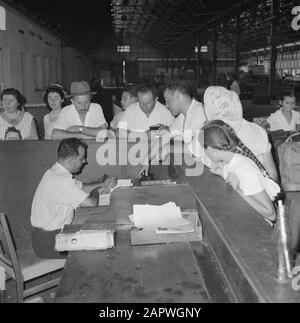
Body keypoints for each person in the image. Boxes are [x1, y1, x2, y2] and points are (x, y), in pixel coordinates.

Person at [31, 138, 110, 259]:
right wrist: (96, 191)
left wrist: (101, 185)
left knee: (99, 234)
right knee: (100, 248)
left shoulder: (55, 172)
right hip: (50, 242)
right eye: (81, 158)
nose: (84, 161)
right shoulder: (61, 180)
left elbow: (81, 188)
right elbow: (91, 203)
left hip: (51, 236)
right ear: (71, 160)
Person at [201, 120, 280, 222]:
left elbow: (271, 214)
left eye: (204, 148)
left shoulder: (244, 169)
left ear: (211, 149)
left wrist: (238, 190)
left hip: (258, 228)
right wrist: (223, 173)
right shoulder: (233, 161)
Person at [202, 86, 278, 181]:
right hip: (262, 187)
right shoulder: (257, 130)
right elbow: (272, 175)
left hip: (238, 191)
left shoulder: (214, 133)